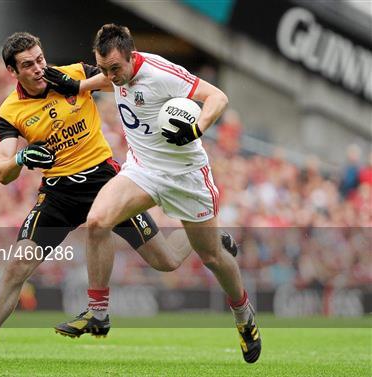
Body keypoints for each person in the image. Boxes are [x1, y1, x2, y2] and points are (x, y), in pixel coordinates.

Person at [0, 32, 237, 362]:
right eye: (28, 65)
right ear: (13, 72)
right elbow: (2, 171)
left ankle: (208, 237)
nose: (39, 68)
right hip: (58, 195)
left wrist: (81, 86)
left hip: (104, 181)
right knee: (17, 265)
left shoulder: (76, 73)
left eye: (40, 59)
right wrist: (21, 159)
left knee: (165, 261)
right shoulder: (10, 111)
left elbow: (119, 76)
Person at [49, 24, 261, 363]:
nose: (111, 76)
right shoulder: (113, 74)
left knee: (211, 259)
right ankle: (98, 312)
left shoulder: (161, 73)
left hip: (186, 177)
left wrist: (197, 127)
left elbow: (217, 97)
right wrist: (82, 84)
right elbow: (106, 80)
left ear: (133, 57)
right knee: (97, 222)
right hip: (142, 170)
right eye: (103, 68)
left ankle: (243, 314)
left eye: (116, 68)